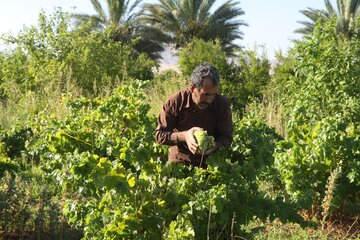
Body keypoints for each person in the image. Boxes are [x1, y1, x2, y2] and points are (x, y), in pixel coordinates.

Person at [155, 63, 233, 167]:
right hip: (179, 160)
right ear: (192, 88)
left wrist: (214, 146)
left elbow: (226, 137)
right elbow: (159, 135)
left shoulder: (221, 105)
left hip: (210, 164)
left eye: (213, 94)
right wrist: (184, 136)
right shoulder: (176, 102)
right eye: (205, 94)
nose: (209, 100)